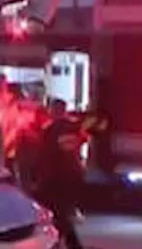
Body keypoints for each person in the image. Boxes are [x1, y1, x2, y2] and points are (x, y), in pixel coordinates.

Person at [35, 99, 85, 249]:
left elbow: (44, 155)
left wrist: (39, 177)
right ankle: (64, 242)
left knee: (56, 212)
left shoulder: (50, 130)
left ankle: (65, 243)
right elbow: (81, 142)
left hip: (55, 177)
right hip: (73, 174)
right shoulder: (74, 127)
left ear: (55, 111)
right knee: (62, 211)